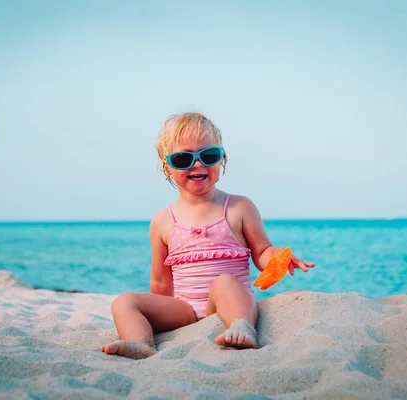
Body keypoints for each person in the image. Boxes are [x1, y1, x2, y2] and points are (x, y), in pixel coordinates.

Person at [100, 112, 315, 359]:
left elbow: (262, 252)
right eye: (183, 159)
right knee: (124, 302)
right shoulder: (162, 220)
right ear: (166, 167)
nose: (198, 164)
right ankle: (140, 342)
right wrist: (159, 311)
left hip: (228, 301)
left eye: (208, 155)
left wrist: (279, 257)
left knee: (223, 282)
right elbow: (160, 280)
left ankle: (241, 326)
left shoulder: (238, 208)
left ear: (222, 159)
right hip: (185, 310)